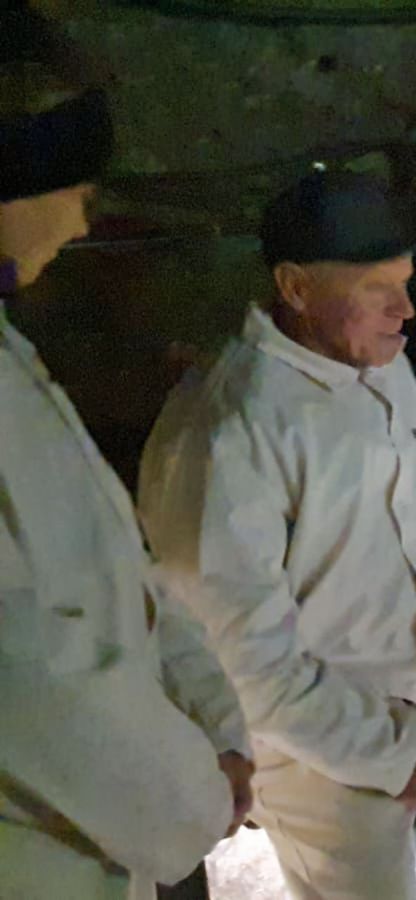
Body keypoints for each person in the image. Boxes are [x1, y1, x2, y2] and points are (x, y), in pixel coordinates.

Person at [138, 171, 416, 900]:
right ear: (296, 287)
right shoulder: (228, 430)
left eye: (405, 282)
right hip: (311, 724)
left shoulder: (378, 360)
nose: (406, 310)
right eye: (378, 288)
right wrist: (391, 756)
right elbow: (243, 662)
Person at [0, 25, 252, 897]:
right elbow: (23, 670)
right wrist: (191, 794)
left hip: (127, 809)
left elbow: (123, 574)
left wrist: (217, 730)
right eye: (73, 187)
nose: (82, 219)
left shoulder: (12, 351)